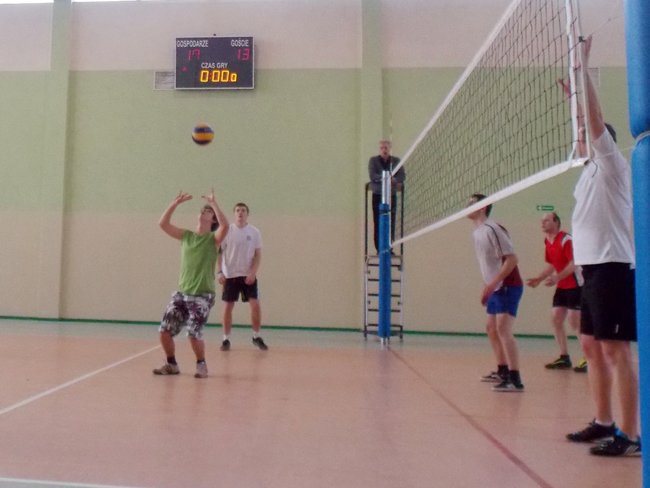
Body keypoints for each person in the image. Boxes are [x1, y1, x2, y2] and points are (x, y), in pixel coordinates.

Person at [564, 36, 640, 456]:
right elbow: (586, 122)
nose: (581, 137)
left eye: (586, 134)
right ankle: (603, 421)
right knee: (591, 346)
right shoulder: (587, 175)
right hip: (591, 269)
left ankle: (629, 435)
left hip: (612, 266)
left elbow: (594, 121)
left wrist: (584, 70)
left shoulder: (611, 164)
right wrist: (574, 100)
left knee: (615, 350)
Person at [153, 189, 229, 379]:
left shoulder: (213, 240)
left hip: (203, 295)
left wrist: (213, 203)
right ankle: (171, 364)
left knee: (193, 333)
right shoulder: (187, 236)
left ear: (213, 220)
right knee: (164, 331)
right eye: (203, 210)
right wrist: (175, 203)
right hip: (182, 293)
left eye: (208, 212)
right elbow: (163, 224)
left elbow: (226, 226)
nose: (204, 212)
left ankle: (201, 365)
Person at [467, 193, 524, 392]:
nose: (467, 206)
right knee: (491, 328)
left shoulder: (493, 228)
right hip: (496, 286)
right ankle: (502, 370)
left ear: (483, 207)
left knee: (503, 329)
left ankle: (515, 379)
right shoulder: (478, 232)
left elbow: (512, 259)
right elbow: (489, 264)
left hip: (508, 284)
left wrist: (492, 284)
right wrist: (488, 286)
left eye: (471, 203)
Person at [526, 212, 586, 372]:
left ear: (556, 222)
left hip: (576, 285)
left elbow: (574, 264)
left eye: (546, 220)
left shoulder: (566, 240)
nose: (542, 223)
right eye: (542, 221)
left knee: (575, 321)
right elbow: (552, 264)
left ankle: (588, 357)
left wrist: (557, 277)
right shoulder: (547, 240)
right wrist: (539, 279)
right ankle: (564, 357)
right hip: (562, 286)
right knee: (556, 319)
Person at [217, 202, 267, 351]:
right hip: (230, 276)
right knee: (228, 306)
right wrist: (220, 272)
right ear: (234, 213)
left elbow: (258, 255)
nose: (240, 212)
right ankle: (225, 339)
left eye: (243, 210)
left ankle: (256, 336)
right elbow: (219, 253)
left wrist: (253, 272)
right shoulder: (227, 231)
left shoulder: (254, 232)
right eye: (238, 210)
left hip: (248, 276)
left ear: (247, 214)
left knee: (255, 304)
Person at [368, 139, 405, 253]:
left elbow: (402, 177)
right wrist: (386, 179)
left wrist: (393, 180)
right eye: (382, 148)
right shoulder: (373, 161)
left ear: (390, 149)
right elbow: (373, 176)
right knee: (378, 221)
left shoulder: (396, 161)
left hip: (391, 195)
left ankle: (389, 247)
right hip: (378, 194)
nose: (384, 150)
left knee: (391, 221)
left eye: (386, 148)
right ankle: (379, 248)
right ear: (379, 150)